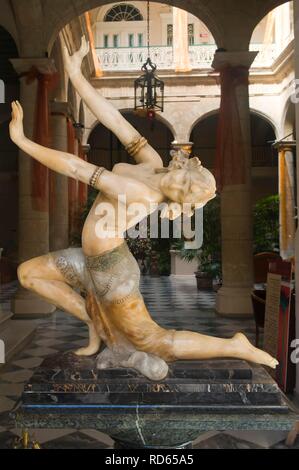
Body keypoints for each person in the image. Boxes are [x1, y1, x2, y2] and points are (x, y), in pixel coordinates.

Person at [9, 37, 278, 380]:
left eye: (181, 193)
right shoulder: (151, 162)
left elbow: (74, 167)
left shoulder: (137, 192)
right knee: (28, 274)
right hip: (91, 260)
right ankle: (96, 325)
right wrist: (76, 74)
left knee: (154, 341)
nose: (175, 186)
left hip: (112, 273)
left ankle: (235, 346)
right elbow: (112, 119)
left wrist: (22, 141)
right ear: (182, 166)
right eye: (183, 179)